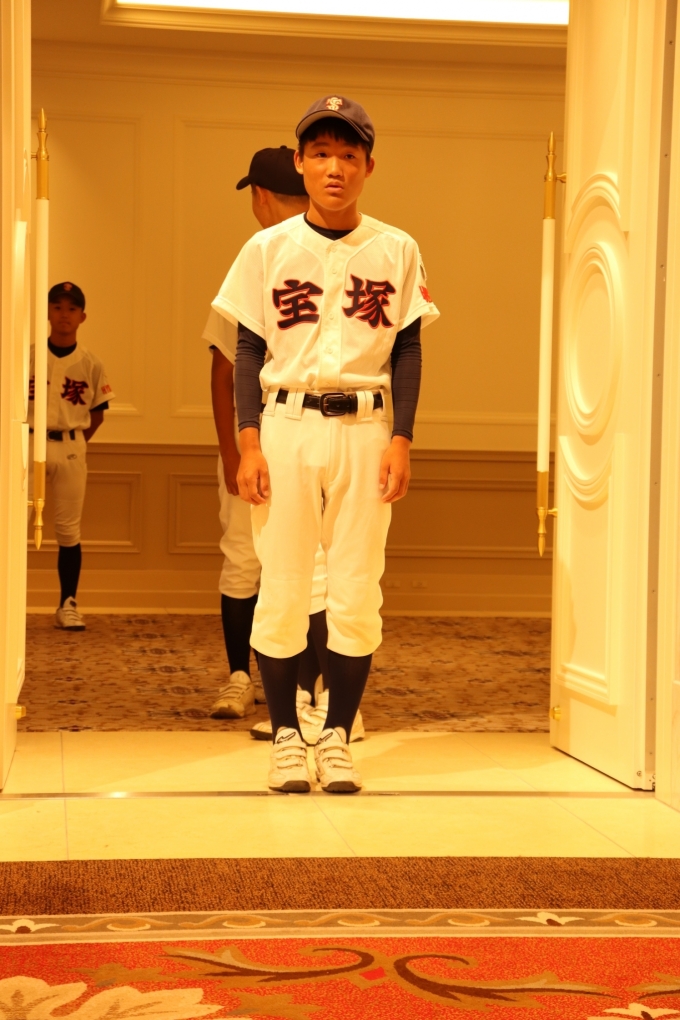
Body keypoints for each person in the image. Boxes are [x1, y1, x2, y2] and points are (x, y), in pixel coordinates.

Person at [212, 96, 439, 793]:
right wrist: (248, 443)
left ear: (369, 165)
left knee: (355, 588)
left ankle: (337, 734)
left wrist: (402, 437)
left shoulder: (396, 248)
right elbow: (246, 352)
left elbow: (407, 350)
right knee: (282, 583)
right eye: (320, 154)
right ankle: (286, 736)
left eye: (348, 154)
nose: (334, 167)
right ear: (301, 163)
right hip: (285, 424)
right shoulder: (266, 250)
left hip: (366, 428)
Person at [204, 145, 365, 744]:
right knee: (303, 571)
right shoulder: (265, 256)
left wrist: (234, 450)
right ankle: (281, 690)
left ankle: (313, 696)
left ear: (261, 196)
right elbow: (231, 363)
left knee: (305, 571)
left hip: (296, 434)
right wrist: (238, 451)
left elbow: (223, 371)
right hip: (273, 433)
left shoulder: (329, 252)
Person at [29, 282, 114, 631]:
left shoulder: (90, 363)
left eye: (71, 308)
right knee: (12, 524)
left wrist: (74, 442)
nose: (64, 314)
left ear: (82, 317)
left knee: (68, 530)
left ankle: (68, 603)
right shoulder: (28, 356)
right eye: (58, 307)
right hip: (28, 443)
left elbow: (98, 414)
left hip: (70, 446)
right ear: (48, 312)